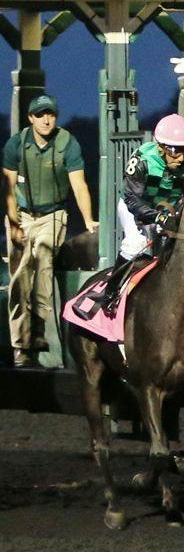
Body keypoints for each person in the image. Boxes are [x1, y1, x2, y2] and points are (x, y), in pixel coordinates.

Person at [4, 95, 95, 365]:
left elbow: (79, 184)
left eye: (51, 114)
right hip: (21, 214)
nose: (46, 119)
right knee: (20, 276)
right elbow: (7, 187)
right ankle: (20, 343)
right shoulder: (16, 144)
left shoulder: (67, 143)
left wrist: (88, 219)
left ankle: (41, 330)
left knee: (42, 258)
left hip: (53, 214)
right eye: (40, 114)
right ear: (30, 118)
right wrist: (13, 224)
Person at [96, 114, 184, 312]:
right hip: (134, 205)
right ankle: (111, 291)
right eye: (176, 151)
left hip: (166, 208)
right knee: (136, 242)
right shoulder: (142, 160)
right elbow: (133, 200)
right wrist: (159, 217)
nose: (182, 158)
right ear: (161, 147)